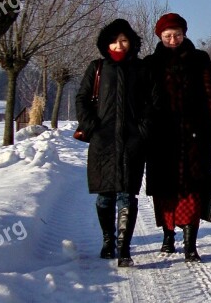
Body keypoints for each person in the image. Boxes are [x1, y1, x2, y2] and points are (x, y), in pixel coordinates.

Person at [144, 13, 211, 262]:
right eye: (168, 35)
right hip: (162, 139)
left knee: (193, 189)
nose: (173, 39)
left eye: (177, 35)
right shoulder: (150, 63)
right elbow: (143, 101)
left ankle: (190, 245)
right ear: (160, 36)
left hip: (195, 137)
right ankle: (168, 236)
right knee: (165, 190)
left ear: (184, 34)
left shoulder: (199, 59)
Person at [76, 18, 157, 268]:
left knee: (127, 195)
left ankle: (124, 247)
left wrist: (143, 131)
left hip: (132, 142)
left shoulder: (142, 69)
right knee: (105, 196)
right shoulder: (97, 67)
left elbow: (153, 102)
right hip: (104, 142)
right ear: (106, 44)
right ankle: (108, 239)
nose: (119, 45)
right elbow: (82, 99)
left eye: (123, 40)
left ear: (131, 42)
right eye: (114, 41)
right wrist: (92, 127)